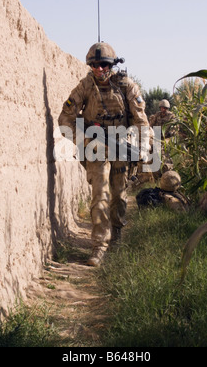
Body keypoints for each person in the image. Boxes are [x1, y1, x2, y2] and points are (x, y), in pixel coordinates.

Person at [58, 42, 150, 267]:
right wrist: (84, 140)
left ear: (112, 65)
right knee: (100, 195)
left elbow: (140, 120)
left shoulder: (127, 86)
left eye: (103, 65)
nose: (98, 69)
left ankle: (116, 238)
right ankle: (99, 247)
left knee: (118, 196)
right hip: (96, 148)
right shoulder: (85, 86)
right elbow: (64, 120)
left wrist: (145, 148)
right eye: (94, 65)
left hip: (121, 146)